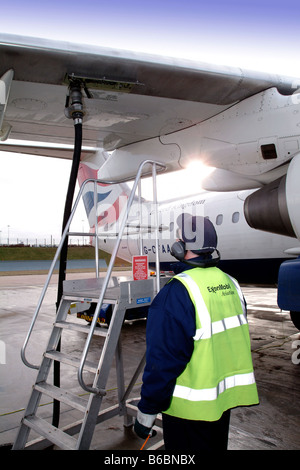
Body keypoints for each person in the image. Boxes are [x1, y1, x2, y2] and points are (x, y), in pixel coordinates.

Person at [134, 213, 259, 451]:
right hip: (221, 402)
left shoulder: (177, 293)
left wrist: (147, 410)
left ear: (181, 247)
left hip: (189, 410)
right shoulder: (231, 284)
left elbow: (163, 362)